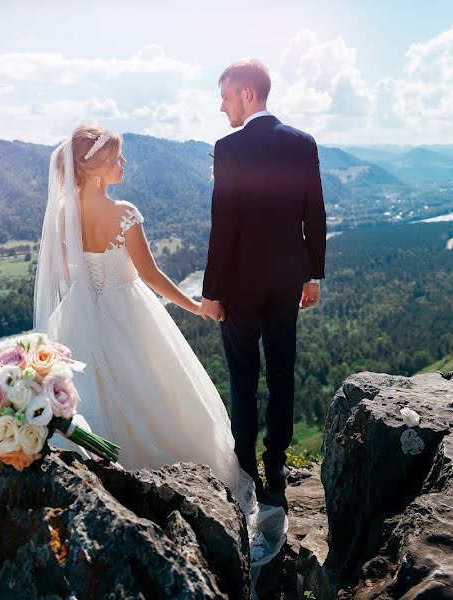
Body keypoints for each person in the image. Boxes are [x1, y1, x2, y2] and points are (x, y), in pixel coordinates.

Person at [34, 123, 286, 569]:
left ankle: (107, 483)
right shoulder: (123, 212)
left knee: (101, 396)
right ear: (95, 170)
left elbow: (62, 276)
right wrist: (195, 306)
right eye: (116, 159)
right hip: (130, 312)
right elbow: (150, 277)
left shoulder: (63, 214)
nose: (123, 164)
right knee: (158, 390)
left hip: (80, 315)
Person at [201, 59, 327, 508]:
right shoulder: (303, 142)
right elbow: (314, 212)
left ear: (248, 94)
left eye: (226, 96)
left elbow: (224, 225)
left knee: (243, 379)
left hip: (238, 285)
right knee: (281, 373)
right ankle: (276, 467)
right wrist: (312, 275)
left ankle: (246, 470)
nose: (222, 107)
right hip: (288, 279)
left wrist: (211, 290)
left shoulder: (228, 147)